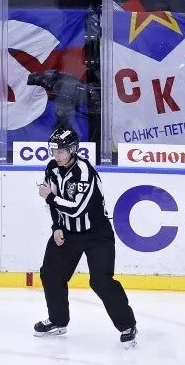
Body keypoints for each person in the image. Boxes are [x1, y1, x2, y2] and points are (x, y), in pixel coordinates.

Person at [33, 127, 136, 345]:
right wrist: (56, 227)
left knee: (100, 281)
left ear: (72, 150)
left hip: (97, 235)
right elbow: (53, 203)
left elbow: (76, 208)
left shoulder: (85, 172)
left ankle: (127, 324)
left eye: (61, 151)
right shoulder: (52, 168)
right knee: (50, 274)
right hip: (68, 232)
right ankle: (58, 321)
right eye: (53, 151)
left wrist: (50, 197)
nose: (56, 156)